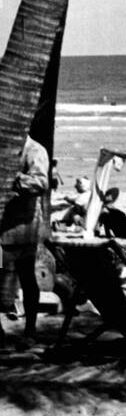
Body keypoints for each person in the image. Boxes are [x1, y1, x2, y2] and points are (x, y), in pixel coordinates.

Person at [0, 138, 50, 345]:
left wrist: (13, 179)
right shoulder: (7, 147)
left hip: (21, 228)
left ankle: (30, 330)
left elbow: (41, 182)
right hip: (4, 227)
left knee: (27, 279)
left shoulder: (34, 149)